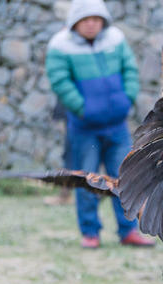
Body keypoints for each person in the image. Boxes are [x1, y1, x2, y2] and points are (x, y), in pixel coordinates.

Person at [45, 0, 154, 248]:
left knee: (125, 179)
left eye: (96, 18)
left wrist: (127, 98)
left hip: (117, 126)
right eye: (85, 19)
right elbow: (60, 82)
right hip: (84, 129)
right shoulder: (60, 47)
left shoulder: (115, 40)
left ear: (103, 20)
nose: (91, 23)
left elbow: (130, 70)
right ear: (75, 22)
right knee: (87, 181)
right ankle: (90, 233)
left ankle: (128, 231)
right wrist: (83, 109)